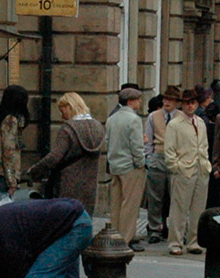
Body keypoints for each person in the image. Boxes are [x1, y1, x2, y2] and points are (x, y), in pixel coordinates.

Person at [26, 91, 105, 212]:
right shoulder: (98, 126)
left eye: (62, 111)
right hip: (90, 184)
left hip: (67, 184)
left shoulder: (68, 129)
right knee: (84, 219)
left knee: (66, 220)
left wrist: (34, 171)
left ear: (70, 106)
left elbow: (55, 157)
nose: (62, 117)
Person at [165, 86, 212, 255]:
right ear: (182, 105)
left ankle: (194, 241)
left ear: (197, 104)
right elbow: (169, 151)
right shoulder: (175, 124)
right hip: (184, 170)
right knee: (179, 208)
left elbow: (204, 146)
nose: (190, 106)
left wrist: (206, 164)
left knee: (198, 209)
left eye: (193, 103)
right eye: (186, 103)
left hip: (201, 169)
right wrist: (176, 167)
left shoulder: (200, 122)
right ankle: (175, 243)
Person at [105, 84, 147, 251]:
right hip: (131, 167)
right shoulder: (134, 120)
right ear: (130, 101)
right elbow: (136, 146)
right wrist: (141, 163)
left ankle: (114, 235)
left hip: (115, 165)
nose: (140, 102)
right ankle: (126, 239)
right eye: (138, 100)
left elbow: (107, 142)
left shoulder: (112, 118)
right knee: (130, 205)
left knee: (115, 204)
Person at [143, 85, 180, 243]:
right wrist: (149, 157)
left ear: (177, 102)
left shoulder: (181, 116)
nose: (167, 102)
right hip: (158, 156)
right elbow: (148, 139)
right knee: (155, 197)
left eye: (170, 100)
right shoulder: (154, 116)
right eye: (165, 99)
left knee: (175, 197)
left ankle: (175, 229)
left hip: (176, 159)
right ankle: (154, 228)